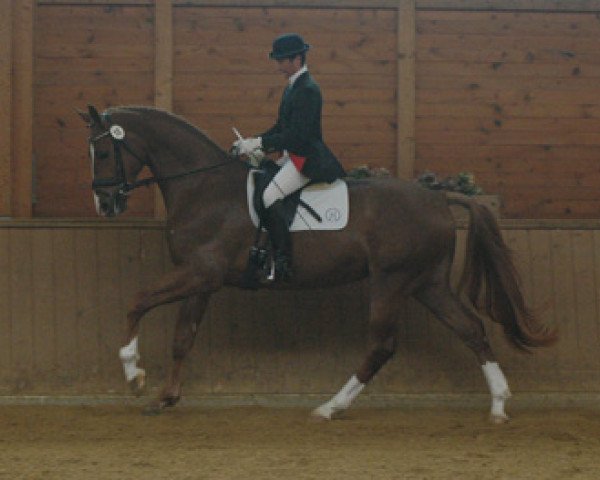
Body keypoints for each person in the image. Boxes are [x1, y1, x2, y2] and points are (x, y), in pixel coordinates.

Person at [233, 33, 346, 282]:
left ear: (296, 59)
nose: (279, 66)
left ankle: (283, 259)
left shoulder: (308, 89)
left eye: (282, 61)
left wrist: (261, 143)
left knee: (270, 195)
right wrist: (254, 142)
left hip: (306, 158)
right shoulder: (293, 87)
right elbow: (281, 127)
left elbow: (297, 136)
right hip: (292, 155)